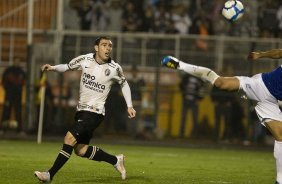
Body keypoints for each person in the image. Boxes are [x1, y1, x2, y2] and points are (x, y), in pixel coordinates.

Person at [161, 48, 282, 184]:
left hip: (270, 102)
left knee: (280, 137)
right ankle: (180, 65)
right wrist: (261, 55)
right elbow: (279, 52)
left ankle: (279, 180)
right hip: (260, 84)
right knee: (220, 83)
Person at [34, 36, 136, 183]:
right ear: (96, 48)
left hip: (95, 112)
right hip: (81, 110)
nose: (108, 48)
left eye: (110, 46)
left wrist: (130, 106)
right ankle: (115, 160)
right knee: (80, 150)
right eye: (104, 45)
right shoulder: (85, 59)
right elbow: (68, 66)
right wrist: (53, 68)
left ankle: (49, 175)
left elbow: (124, 84)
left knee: (69, 138)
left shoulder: (115, 68)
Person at [0, 57, 25, 134]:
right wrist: (8, 89)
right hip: (9, 95)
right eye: (16, 61)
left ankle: (19, 130)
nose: (17, 63)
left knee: (18, 112)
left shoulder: (21, 72)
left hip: (18, 95)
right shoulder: (8, 71)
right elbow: (3, 82)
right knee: (6, 112)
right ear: (13, 62)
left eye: (18, 61)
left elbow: (24, 82)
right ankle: (3, 129)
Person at [179, 73, 204, 138]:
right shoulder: (186, 77)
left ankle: (195, 135)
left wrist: (199, 99)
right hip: (186, 100)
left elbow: (202, 89)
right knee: (183, 118)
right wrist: (183, 94)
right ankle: (181, 134)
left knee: (194, 118)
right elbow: (181, 85)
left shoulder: (199, 78)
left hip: (194, 101)